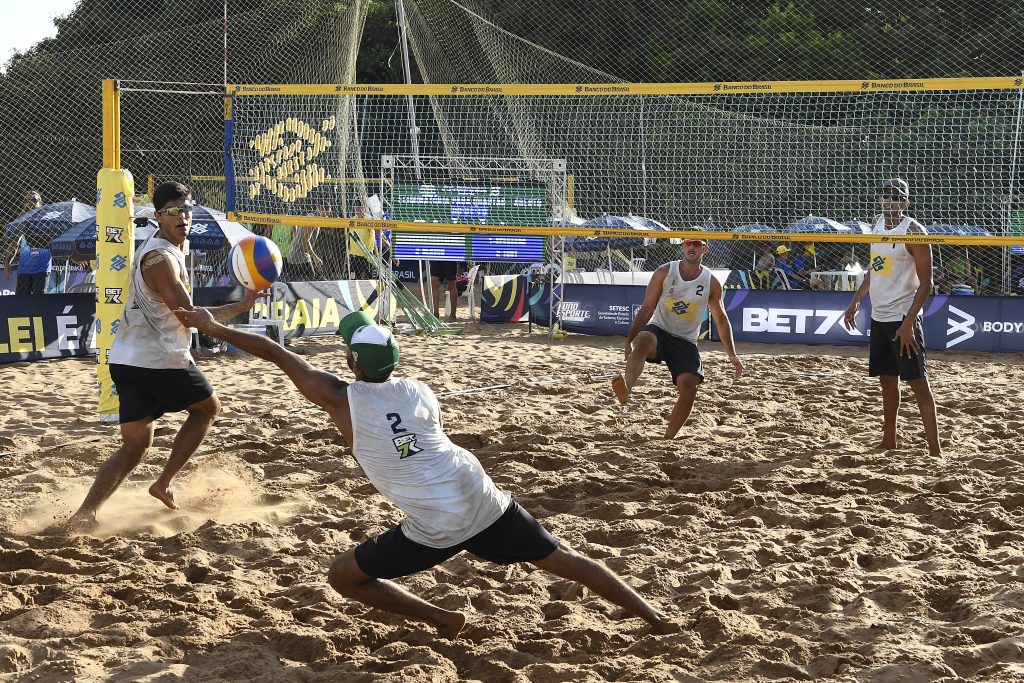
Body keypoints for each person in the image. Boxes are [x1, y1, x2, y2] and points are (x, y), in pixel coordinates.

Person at [171, 307, 680, 638]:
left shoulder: (339, 397)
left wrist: (213, 328)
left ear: (349, 360)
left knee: (343, 577)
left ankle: (443, 619)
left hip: (439, 520)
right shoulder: (419, 390)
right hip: (478, 490)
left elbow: (279, 353)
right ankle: (655, 618)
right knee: (566, 561)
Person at [65, 182, 261, 530]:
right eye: (172, 212)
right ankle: (164, 482)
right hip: (159, 359)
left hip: (126, 358)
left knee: (135, 446)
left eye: (186, 209)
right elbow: (189, 315)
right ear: (157, 217)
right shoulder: (160, 259)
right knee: (208, 409)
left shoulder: (168, 248)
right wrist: (241, 307)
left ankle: (86, 513)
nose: (182, 217)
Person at [843, 178, 941, 457]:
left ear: (906, 202)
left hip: (903, 317)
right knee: (887, 380)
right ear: (879, 200)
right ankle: (889, 440)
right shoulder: (876, 225)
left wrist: (909, 322)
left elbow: (926, 284)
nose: (889, 200)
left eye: (896, 196)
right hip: (880, 314)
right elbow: (877, 269)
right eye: (885, 195)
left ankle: (935, 450)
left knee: (918, 382)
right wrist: (855, 302)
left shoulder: (913, 230)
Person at [612, 237, 744, 438]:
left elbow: (721, 319)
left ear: (704, 249)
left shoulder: (711, 282)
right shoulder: (665, 272)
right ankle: (627, 389)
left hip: (685, 340)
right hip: (660, 329)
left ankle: (667, 440)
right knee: (644, 339)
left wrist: (732, 354)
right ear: (683, 246)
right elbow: (647, 308)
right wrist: (629, 339)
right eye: (688, 243)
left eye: (697, 244)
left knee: (689, 388)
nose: (691, 247)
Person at [4, 190, 51, 294]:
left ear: (40, 202)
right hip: (24, 270)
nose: (31, 203)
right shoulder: (21, 221)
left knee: (39, 305)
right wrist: (7, 264)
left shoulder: (48, 220)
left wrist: (73, 256)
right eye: (28, 201)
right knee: (21, 305)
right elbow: (14, 244)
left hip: (41, 269)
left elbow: (59, 240)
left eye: (34, 200)